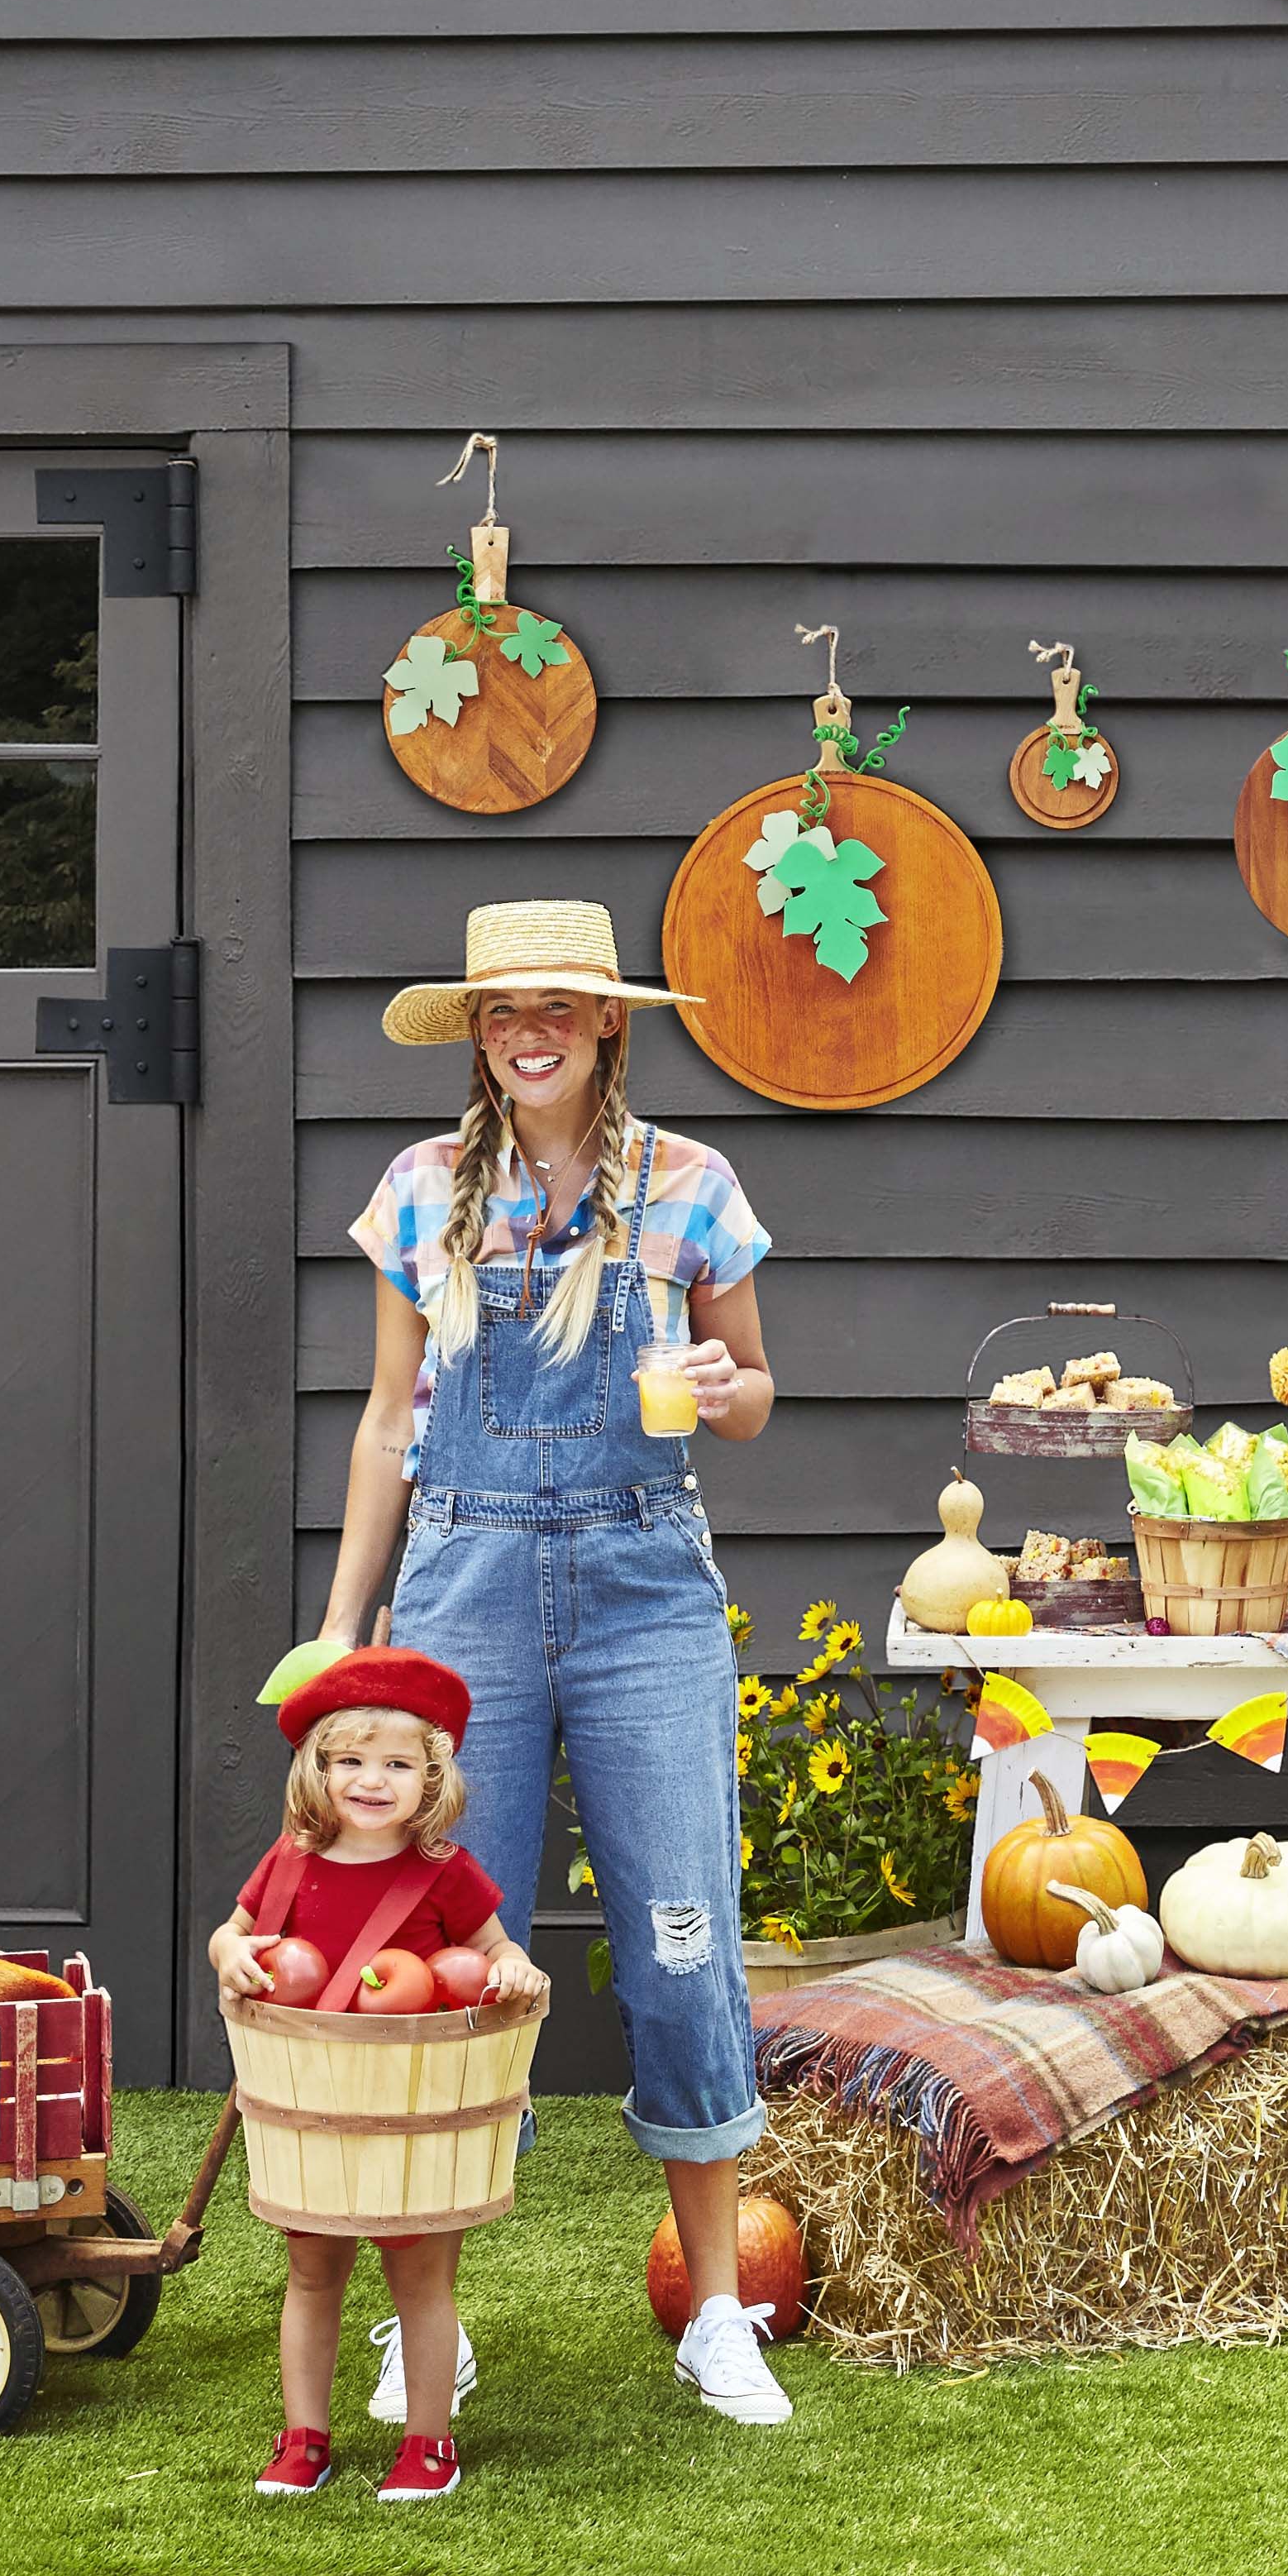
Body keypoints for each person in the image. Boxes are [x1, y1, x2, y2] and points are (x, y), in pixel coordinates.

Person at [321, 897, 792, 2429]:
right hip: (457, 1582)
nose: (527, 1030)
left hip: (644, 1577)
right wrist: (344, 1629)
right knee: (439, 1957)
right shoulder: (418, 1192)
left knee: (678, 1938)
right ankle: (425, 2327)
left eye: (557, 1006)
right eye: (500, 1008)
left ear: (607, 1023)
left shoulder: (691, 1187)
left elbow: (755, 1399)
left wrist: (722, 1388)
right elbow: (392, 1418)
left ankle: (719, 2311)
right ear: (477, 1030)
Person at [207, 1644, 546, 2504]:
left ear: (431, 1779)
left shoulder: (445, 1874)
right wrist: (232, 1955)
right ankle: (303, 2437)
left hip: (412, 2116)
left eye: (396, 1763)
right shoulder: (287, 1862)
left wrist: (512, 1972)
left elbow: (496, 1954)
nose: (370, 1779)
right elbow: (231, 1932)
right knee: (312, 2274)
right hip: (314, 2108)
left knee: (421, 2280)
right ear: (315, 1769)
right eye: (349, 1760)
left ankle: (429, 2442)